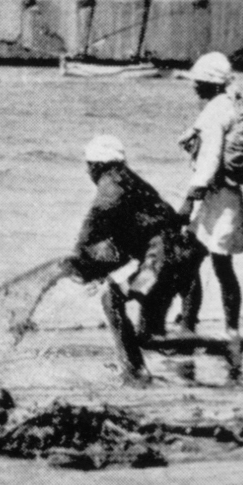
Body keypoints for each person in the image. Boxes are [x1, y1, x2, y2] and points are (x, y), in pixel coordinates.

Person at [62, 135, 192, 386]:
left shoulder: (111, 184)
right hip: (173, 257)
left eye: (89, 165)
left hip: (162, 261)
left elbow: (96, 220)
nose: (88, 171)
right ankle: (136, 365)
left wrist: (79, 256)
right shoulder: (129, 180)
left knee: (115, 301)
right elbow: (130, 238)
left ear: (96, 165)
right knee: (145, 329)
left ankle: (135, 369)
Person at [171, 51, 243, 378]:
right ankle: (228, 328)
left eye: (197, 82)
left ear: (207, 82)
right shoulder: (228, 105)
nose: (194, 88)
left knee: (199, 262)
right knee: (220, 265)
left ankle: (192, 324)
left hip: (213, 197)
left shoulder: (215, 111)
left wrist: (189, 200)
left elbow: (209, 160)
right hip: (225, 195)